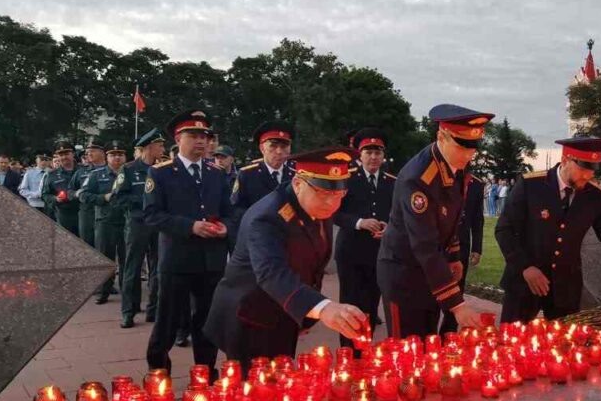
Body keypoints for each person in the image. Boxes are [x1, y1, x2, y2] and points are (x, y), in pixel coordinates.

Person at [205, 148, 366, 373]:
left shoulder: (317, 208)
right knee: (255, 393)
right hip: (251, 317)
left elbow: (312, 264)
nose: (332, 203)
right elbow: (272, 273)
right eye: (323, 193)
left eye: (339, 195)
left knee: (282, 382)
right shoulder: (267, 216)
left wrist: (305, 313)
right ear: (299, 183)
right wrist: (323, 308)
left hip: (284, 313)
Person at [497, 136, 601, 322]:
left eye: (592, 171)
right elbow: (504, 230)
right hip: (524, 283)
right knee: (510, 343)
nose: (587, 176)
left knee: (564, 345)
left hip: (565, 287)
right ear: (565, 160)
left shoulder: (595, 198)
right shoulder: (530, 186)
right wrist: (525, 267)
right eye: (582, 168)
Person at [378, 104, 494, 337]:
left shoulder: (457, 167)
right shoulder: (419, 179)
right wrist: (457, 304)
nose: (469, 154)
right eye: (462, 146)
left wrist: (453, 257)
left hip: (432, 274)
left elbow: (450, 219)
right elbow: (424, 244)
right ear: (441, 136)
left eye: (474, 148)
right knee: (408, 351)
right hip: (405, 276)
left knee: (428, 344)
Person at [144, 110, 234, 376]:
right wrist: (190, 226)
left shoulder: (216, 173)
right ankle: (158, 369)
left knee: (207, 320)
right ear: (178, 139)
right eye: (193, 136)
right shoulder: (160, 173)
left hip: (211, 260)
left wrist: (226, 227)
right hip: (178, 259)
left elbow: (230, 211)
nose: (201, 141)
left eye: (204, 136)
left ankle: (205, 372)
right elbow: (152, 215)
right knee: (168, 320)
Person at [332, 128, 395, 348]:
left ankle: (366, 353)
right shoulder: (345, 178)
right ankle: (349, 356)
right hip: (351, 253)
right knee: (350, 307)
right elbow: (333, 212)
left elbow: (397, 212)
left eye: (378, 152)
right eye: (368, 152)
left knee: (370, 305)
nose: (374, 157)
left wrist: (390, 227)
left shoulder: (391, 181)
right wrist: (359, 222)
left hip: (379, 253)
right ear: (360, 154)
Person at [113, 128, 166, 328]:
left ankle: (153, 310)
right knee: (132, 268)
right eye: (160, 145)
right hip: (137, 224)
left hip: (159, 224)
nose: (163, 148)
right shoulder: (128, 169)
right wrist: (144, 200)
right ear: (149, 147)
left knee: (158, 268)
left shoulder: (163, 169)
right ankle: (128, 311)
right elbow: (119, 198)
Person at [80, 140, 127, 303]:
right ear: (107, 157)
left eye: (120, 154)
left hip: (126, 222)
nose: (117, 158)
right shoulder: (96, 175)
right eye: (113, 155)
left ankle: (127, 292)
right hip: (105, 222)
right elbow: (84, 195)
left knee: (126, 259)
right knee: (105, 259)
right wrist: (103, 198)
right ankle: (103, 291)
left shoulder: (130, 174)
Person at [440, 172, 485, 333]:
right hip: (436, 245)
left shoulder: (477, 184)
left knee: (457, 290)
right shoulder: (439, 177)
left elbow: (477, 218)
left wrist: (477, 247)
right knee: (432, 292)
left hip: (461, 246)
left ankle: (448, 335)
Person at [232, 120, 296, 221]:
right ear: (262, 148)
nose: (279, 151)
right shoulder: (248, 175)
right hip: (258, 231)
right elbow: (236, 209)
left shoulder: (296, 173)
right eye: (273, 146)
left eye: (284, 146)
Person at [41, 142, 81, 235]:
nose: (64, 157)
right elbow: (45, 195)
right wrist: (55, 199)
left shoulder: (84, 171)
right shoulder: (51, 175)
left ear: (73, 154)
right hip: (64, 215)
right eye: (61, 155)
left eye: (67, 154)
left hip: (84, 213)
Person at [70, 141, 104, 247]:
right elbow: (69, 191)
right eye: (87, 152)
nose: (89, 154)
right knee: (86, 246)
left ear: (102, 153)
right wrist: (77, 194)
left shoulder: (111, 170)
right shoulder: (81, 172)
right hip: (87, 214)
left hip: (106, 214)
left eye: (92, 151)